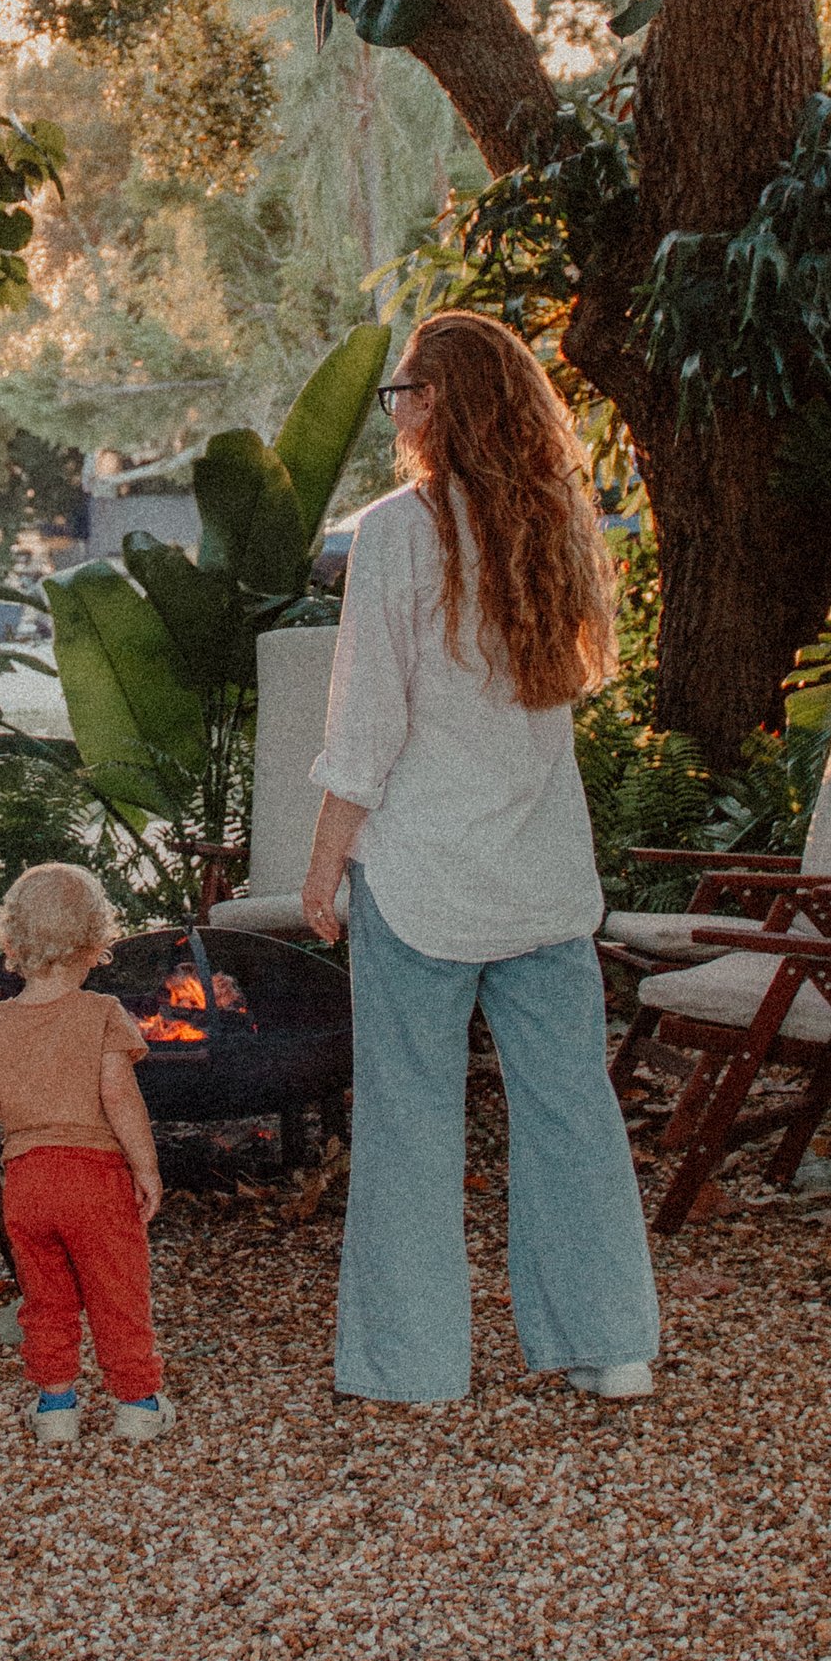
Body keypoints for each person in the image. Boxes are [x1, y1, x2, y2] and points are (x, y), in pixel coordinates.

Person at [297, 310, 660, 1407]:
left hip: (422, 880)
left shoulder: (398, 533)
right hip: (542, 877)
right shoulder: (554, 521)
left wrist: (322, 870)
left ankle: (413, 1366)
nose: (396, 406)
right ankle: (611, 1346)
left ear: (443, 403)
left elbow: (366, 733)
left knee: (411, 1120)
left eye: (406, 388)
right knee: (570, 1111)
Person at [0, 862, 172, 1449]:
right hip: (94, 1180)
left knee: (45, 1299)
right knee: (118, 1293)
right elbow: (120, 1099)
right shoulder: (102, 1014)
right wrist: (146, 1168)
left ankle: (55, 1407)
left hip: (28, 1184)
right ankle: (137, 1405)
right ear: (96, 943)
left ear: (13, 945)